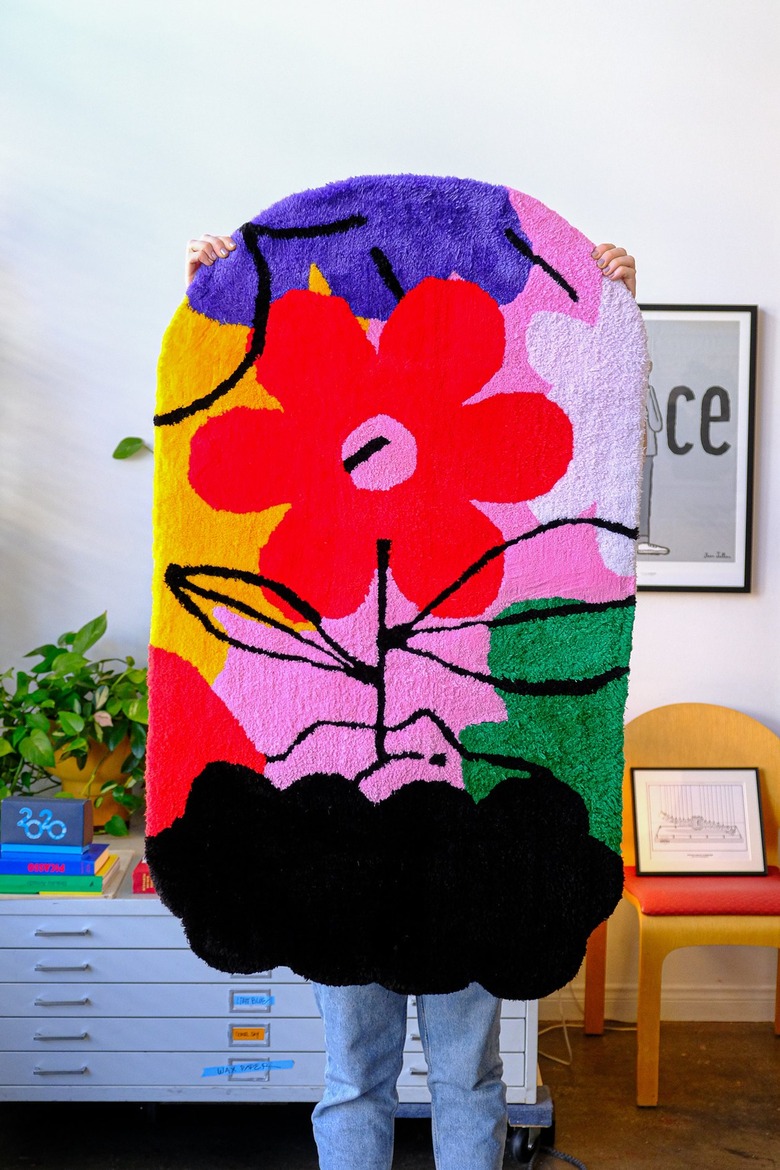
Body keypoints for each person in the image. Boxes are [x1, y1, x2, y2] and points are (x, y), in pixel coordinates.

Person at [182, 231, 637, 1170]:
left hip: (463, 838)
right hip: (337, 838)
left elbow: (595, 459)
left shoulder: (489, 544)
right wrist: (219, 302)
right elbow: (214, 477)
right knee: (358, 1073)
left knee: (463, 1077)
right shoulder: (304, 552)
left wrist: (614, 308)